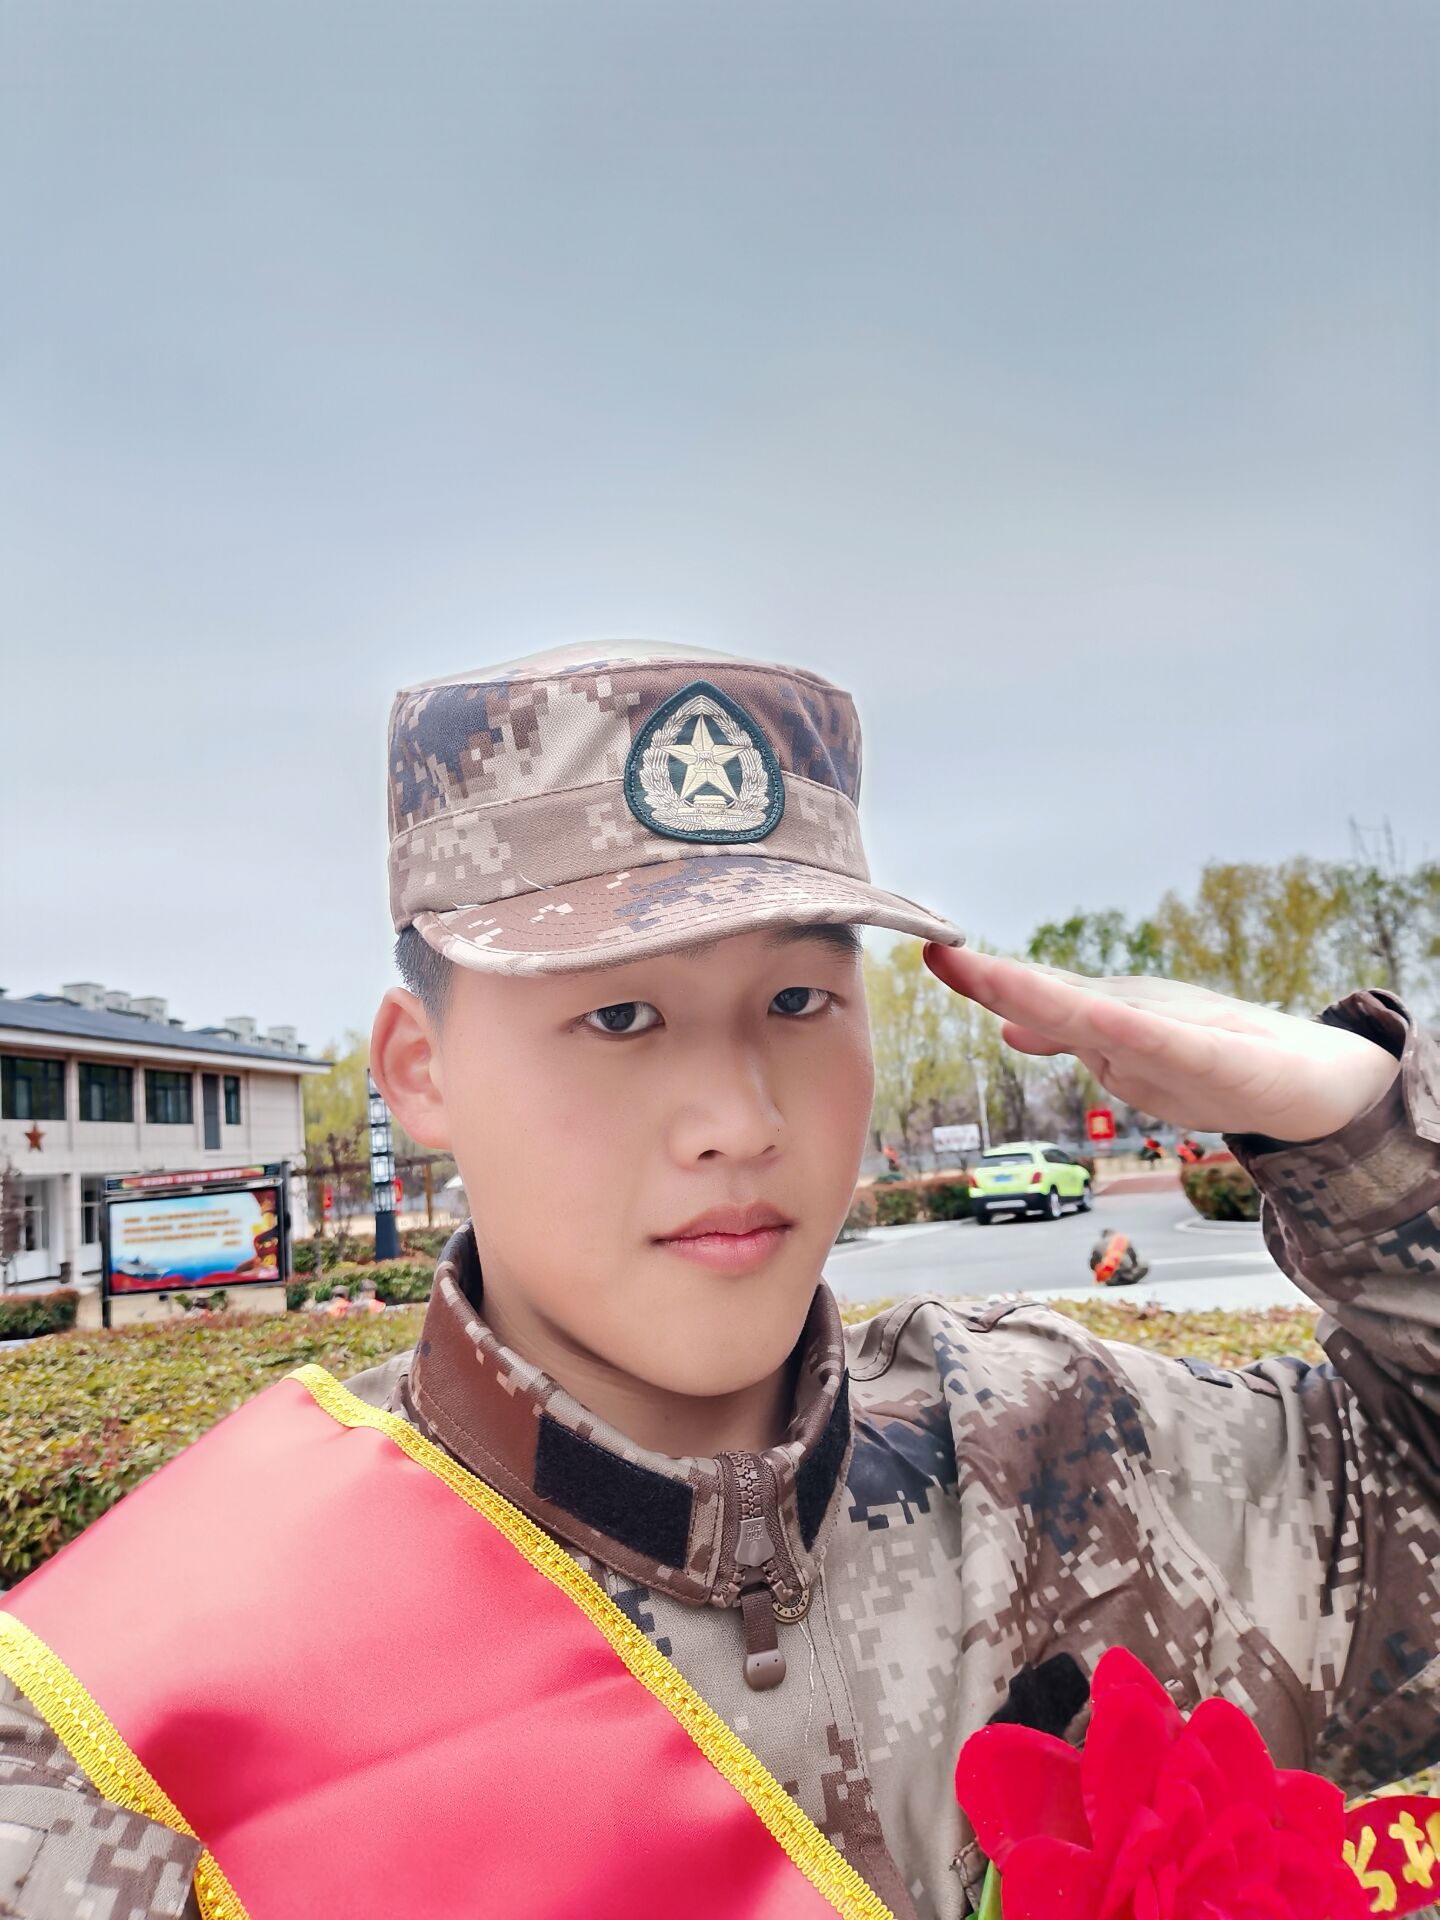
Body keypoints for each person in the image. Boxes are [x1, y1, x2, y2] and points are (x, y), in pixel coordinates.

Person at [0, 640, 1436, 1920]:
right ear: (418, 1071)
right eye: (621, 1015)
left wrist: (1368, 1140)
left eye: (799, 999)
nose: (741, 1121)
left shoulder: (1076, 1451)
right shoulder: (115, 1746)